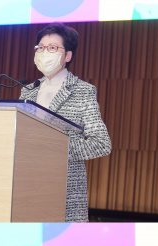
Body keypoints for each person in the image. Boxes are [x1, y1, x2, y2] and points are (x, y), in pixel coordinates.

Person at [20, 23, 112, 222]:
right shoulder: (28, 91)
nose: (45, 52)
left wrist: (57, 149)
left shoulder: (82, 90)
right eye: (41, 48)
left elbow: (101, 143)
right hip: (26, 185)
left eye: (52, 48)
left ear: (67, 56)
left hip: (64, 189)